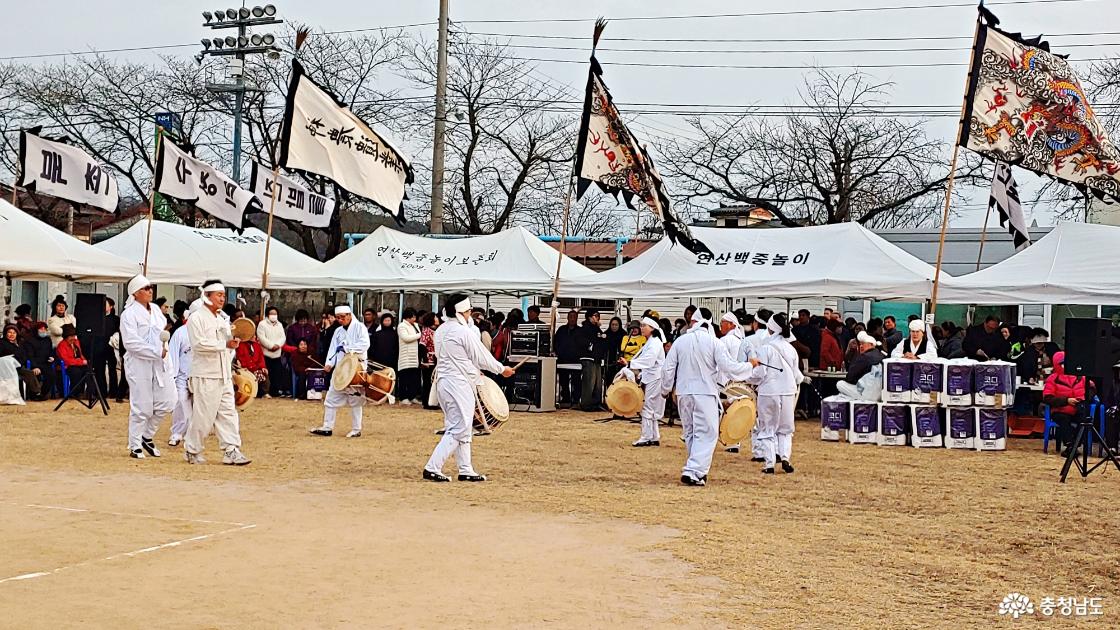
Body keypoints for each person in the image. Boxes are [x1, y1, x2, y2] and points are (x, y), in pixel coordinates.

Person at [423, 294, 515, 482]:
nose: (470, 314)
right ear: (460, 313)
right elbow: (481, 356)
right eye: (468, 311)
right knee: (460, 427)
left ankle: (465, 469)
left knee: (461, 426)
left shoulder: (441, 330)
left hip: (444, 383)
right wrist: (501, 369)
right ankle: (432, 466)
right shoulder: (461, 332)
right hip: (458, 383)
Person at [660, 307, 755, 486]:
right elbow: (729, 367)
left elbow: (668, 368)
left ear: (693, 322)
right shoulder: (714, 342)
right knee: (707, 433)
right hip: (705, 393)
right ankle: (694, 470)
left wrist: (665, 390)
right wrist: (750, 366)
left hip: (684, 393)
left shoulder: (681, 341)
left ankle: (695, 470)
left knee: (691, 432)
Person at [185, 280, 251, 465]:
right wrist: (225, 345)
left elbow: (228, 342)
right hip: (205, 374)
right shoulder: (196, 318)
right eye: (218, 295)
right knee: (204, 415)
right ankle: (192, 449)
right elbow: (198, 345)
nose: (222, 298)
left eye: (223, 295)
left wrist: (232, 343)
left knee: (229, 413)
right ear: (207, 296)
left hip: (224, 373)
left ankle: (231, 449)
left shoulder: (222, 319)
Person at [119, 276, 175, 460]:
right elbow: (131, 342)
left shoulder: (157, 310)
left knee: (168, 401)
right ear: (135, 292)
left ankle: (147, 436)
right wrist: (154, 351)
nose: (150, 291)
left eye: (151, 287)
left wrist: (163, 349)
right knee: (141, 406)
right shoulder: (129, 314)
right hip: (139, 364)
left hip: (160, 362)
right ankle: (134, 444)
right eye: (146, 288)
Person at [743, 314, 804, 474]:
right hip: (788, 391)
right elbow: (797, 374)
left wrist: (746, 377)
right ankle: (785, 457)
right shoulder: (791, 349)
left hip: (769, 392)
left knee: (767, 428)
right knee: (785, 429)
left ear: (770, 328)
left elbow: (760, 373)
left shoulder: (765, 349)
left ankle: (769, 463)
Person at [311, 305, 371, 438]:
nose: (340, 320)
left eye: (342, 317)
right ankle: (327, 426)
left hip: (356, 367)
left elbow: (365, 344)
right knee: (331, 397)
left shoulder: (360, 327)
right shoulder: (338, 331)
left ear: (349, 315)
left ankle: (356, 429)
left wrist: (348, 348)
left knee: (355, 399)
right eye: (338, 318)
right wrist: (329, 363)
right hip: (341, 368)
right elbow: (333, 348)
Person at [624, 317, 666, 447]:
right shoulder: (652, 342)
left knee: (647, 406)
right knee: (650, 407)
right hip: (651, 376)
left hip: (655, 377)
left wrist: (631, 363)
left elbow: (649, 360)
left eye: (644, 326)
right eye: (641, 326)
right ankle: (654, 435)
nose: (641, 328)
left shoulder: (655, 343)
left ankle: (646, 436)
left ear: (652, 328)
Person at [1043, 351, 1091, 456]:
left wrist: (1082, 399)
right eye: (1062, 363)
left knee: (1086, 419)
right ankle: (1070, 445)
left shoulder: (1081, 377)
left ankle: (1075, 445)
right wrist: (1066, 400)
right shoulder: (1052, 379)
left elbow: (1092, 389)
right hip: (1060, 409)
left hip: (1078, 407)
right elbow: (1047, 398)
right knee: (1063, 419)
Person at [167, 300, 199, 447]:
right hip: (182, 376)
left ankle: (192, 435)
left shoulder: (209, 333)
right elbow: (173, 355)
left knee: (198, 407)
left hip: (200, 376)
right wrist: (172, 376)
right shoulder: (180, 333)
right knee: (181, 403)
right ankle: (177, 432)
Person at [87, 297, 120, 403]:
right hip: (98, 347)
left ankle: (113, 391)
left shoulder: (116, 319)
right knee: (99, 370)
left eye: (105, 304)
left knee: (112, 370)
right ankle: (101, 392)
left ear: (111, 306)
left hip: (111, 347)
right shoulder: (96, 318)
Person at [837, 331, 885, 399]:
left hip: (866, 393)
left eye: (863, 344)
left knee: (840, 384)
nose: (861, 346)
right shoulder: (881, 356)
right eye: (860, 344)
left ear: (871, 345)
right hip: (879, 394)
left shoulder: (865, 357)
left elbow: (850, 377)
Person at [0, 324, 41, 399]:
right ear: (5, 333)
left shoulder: (19, 345)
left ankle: (36, 393)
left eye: (14, 333)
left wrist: (34, 367)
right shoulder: (2, 343)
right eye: (9, 332)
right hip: (6, 369)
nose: (11, 335)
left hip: (18, 367)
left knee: (30, 373)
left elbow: (25, 357)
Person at [578, 309, 608, 411]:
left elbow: (602, 339)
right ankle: (586, 403)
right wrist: (591, 345)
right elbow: (582, 341)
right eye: (595, 316)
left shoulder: (597, 329)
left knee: (598, 382)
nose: (597, 318)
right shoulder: (585, 328)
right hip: (588, 357)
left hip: (597, 358)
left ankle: (596, 402)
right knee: (589, 382)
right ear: (589, 317)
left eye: (598, 316)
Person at [257, 306, 287, 397]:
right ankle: (265, 392)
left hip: (277, 354)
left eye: (275, 314)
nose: (273, 315)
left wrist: (277, 345)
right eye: (271, 313)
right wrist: (270, 346)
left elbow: (283, 337)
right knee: (267, 373)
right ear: (268, 314)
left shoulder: (280, 325)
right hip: (266, 353)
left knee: (276, 373)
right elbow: (261, 337)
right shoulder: (262, 324)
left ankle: (275, 391)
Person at [554, 309, 582, 407]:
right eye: (571, 317)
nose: (572, 319)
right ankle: (565, 397)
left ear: (577, 318)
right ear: (567, 318)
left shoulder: (580, 331)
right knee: (563, 380)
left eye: (574, 317)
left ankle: (576, 399)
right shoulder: (561, 330)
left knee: (576, 381)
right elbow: (555, 342)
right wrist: (557, 352)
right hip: (563, 359)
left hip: (576, 360)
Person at [57, 324, 93, 398]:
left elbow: (80, 354)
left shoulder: (76, 342)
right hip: (68, 366)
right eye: (70, 336)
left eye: (74, 336)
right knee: (76, 372)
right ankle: (75, 392)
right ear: (66, 337)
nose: (73, 338)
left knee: (89, 370)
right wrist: (81, 362)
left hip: (77, 364)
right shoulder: (62, 345)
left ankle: (90, 393)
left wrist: (84, 361)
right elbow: (66, 360)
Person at [21, 322, 55, 400]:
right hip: (34, 363)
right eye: (41, 329)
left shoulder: (47, 339)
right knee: (36, 374)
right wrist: (34, 366)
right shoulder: (29, 341)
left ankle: (43, 393)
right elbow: (29, 356)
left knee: (52, 375)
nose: (43, 331)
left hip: (45, 363)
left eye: (44, 329)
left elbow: (50, 352)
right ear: (36, 330)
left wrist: (52, 357)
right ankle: (34, 394)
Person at [397, 307, 423, 405]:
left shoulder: (415, 325)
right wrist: (419, 335)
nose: (414, 319)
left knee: (414, 378)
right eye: (413, 317)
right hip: (405, 356)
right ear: (407, 317)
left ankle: (412, 396)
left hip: (414, 356)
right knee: (404, 377)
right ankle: (403, 397)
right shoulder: (402, 326)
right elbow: (406, 338)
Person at [235, 332, 268, 397]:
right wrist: (244, 367)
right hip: (245, 369)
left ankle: (263, 393)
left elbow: (261, 357)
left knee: (263, 374)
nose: (255, 337)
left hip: (256, 368)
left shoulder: (257, 345)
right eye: (253, 335)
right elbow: (240, 357)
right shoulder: (240, 345)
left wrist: (263, 367)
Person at [369, 312, 399, 381]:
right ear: (382, 322)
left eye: (389, 320)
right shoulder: (376, 334)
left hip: (392, 362)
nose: (387, 322)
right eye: (385, 320)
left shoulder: (395, 334)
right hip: (378, 363)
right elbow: (372, 348)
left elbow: (397, 348)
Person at [420, 312, 439, 408]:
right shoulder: (427, 331)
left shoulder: (435, 331)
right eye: (436, 317)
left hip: (435, 359)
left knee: (433, 381)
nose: (437, 319)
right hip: (429, 359)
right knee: (428, 381)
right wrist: (425, 360)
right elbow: (422, 345)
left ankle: (432, 401)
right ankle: (427, 402)